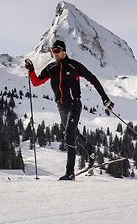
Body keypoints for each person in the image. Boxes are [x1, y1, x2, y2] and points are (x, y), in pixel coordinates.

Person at [25, 39, 114, 180]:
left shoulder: (74, 66)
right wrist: (31, 70)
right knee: (74, 134)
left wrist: (104, 98)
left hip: (74, 105)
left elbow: (93, 79)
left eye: (57, 51)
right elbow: (36, 82)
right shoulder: (51, 68)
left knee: (69, 135)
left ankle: (70, 173)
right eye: (53, 51)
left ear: (64, 51)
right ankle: (91, 151)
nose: (55, 54)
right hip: (61, 106)